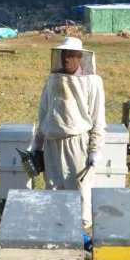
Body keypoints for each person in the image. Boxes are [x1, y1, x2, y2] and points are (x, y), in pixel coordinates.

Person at [34, 36, 106, 227]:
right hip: (51, 142)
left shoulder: (93, 81)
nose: (66, 58)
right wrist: (36, 145)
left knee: (80, 190)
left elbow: (98, 118)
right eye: (64, 53)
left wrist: (95, 150)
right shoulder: (53, 79)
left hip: (78, 143)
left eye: (71, 54)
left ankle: (82, 233)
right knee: (53, 188)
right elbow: (44, 113)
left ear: (81, 57)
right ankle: (56, 229)